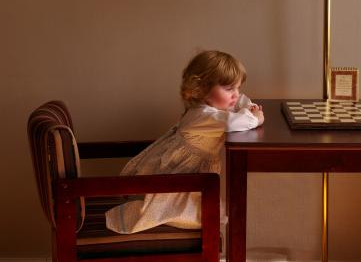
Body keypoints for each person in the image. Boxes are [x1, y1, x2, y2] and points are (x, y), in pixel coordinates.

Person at [105, 50, 264, 233]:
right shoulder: (204, 115)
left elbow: (240, 102)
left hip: (191, 176)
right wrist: (256, 117)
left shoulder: (209, 107)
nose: (236, 95)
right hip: (180, 178)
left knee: (207, 207)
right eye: (229, 89)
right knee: (198, 215)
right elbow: (233, 122)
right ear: (202, 89)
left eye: (238, 87)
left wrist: (247, 106)